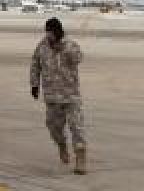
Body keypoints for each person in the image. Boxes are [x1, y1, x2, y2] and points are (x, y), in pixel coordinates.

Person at [29, 17, 87, 174]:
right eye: (47, 31)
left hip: (70, 96)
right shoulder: (42, 45)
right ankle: (62, 145)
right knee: (53, 127)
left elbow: (79, 58)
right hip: (52, 96)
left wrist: (65, 49)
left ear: (58, 31)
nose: (49, 34)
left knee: (77, 127)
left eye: (51, 31)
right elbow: (35, 63)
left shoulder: (69, 44)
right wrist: (34, 84)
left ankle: (80, 159)